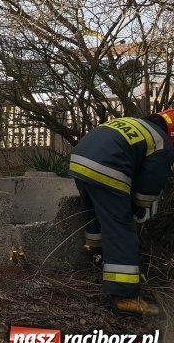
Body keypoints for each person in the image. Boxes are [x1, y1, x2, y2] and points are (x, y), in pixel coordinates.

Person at [68, 110, 174, 317]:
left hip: (80, 161)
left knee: (97, 217)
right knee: (120, 228)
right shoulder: (164, 144)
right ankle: (125, 297)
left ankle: (96, 258)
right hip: (108, 168)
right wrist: (136, 207)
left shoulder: (134, 123)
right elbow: (147, 188)